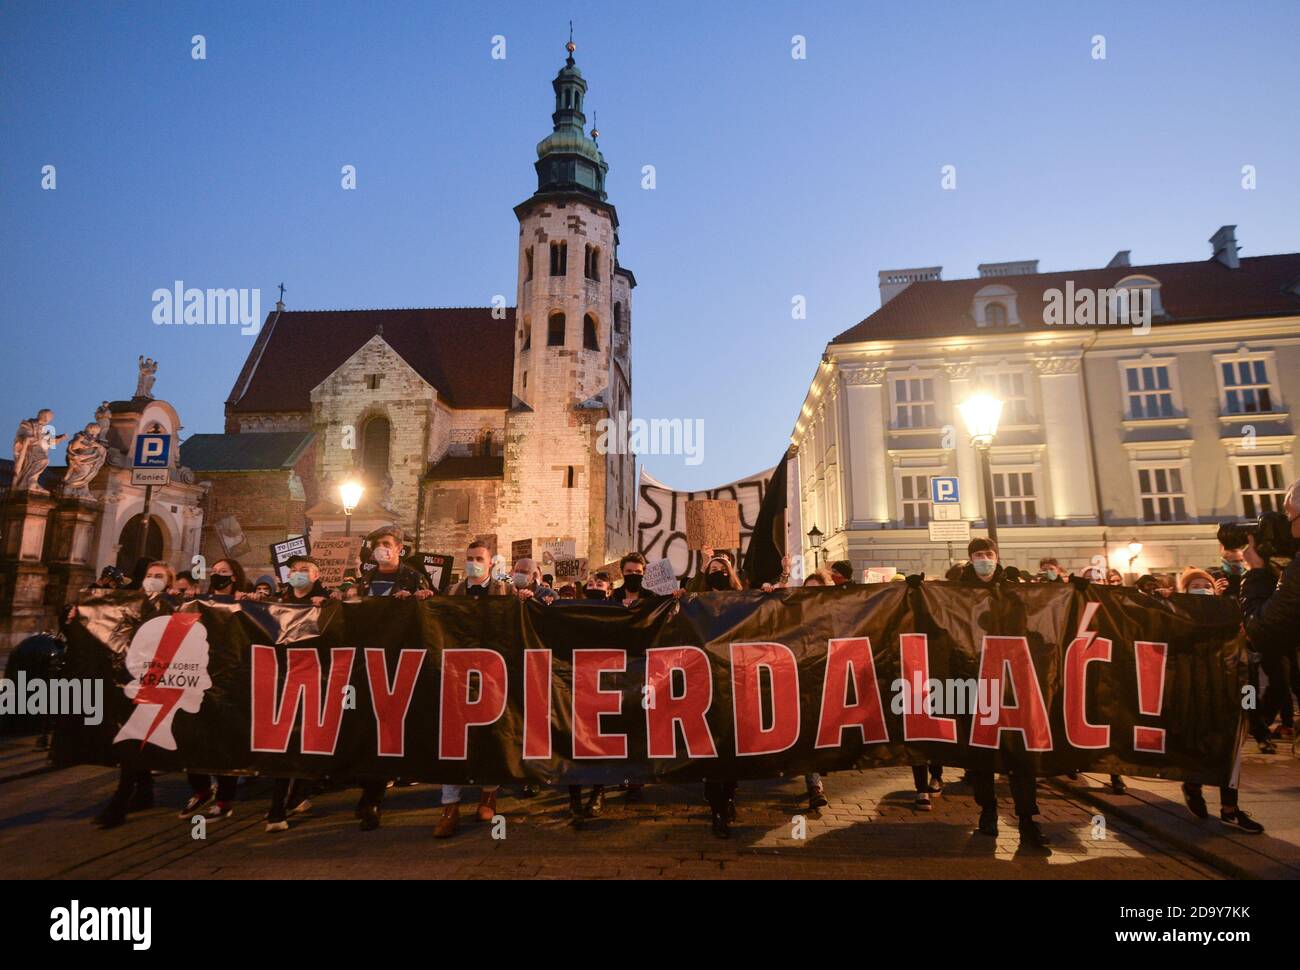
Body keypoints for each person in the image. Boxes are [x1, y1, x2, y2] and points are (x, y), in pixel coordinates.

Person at [959, 537, 1049, 848]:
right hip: (978, 682)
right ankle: (988, 812)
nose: (984, 559)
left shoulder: (1013, 588)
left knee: (1021, 754)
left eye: (988, 554)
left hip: (1014, 682)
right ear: (970, 559)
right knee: (983, 755)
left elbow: (1037, 620)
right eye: (978, 555)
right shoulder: (958, 592)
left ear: (996, 557)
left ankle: (1027, 819)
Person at [433, 539, 512, 837]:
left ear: (491, 562)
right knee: (452, 736)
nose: (473, 562)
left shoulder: (505, 590)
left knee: (490, 734)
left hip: (492, 672)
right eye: (469, 557)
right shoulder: (452, 591)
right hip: (457, 672)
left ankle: (488, 795)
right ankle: (449, 805)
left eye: (479, 558)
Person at [91, 561, 177, 829]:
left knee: (133, 739)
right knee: (130, 739)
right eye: (150, 575)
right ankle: (144, 789)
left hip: (156, 681)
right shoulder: (129, 602)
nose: (153, 579)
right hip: (125, 679)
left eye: (159, 576)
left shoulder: (173, 605)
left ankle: (120, 801)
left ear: (169, 582)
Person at [181, 558, 246, 820]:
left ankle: (224, 799)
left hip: (229, 680)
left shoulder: (245, 602)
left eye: (224, 572)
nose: (218, 575)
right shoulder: (201, 600)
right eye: (215, 571)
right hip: (198, 676)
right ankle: (201, 788)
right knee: (192, 735)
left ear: (234, 577)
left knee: (223, 740)